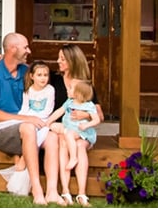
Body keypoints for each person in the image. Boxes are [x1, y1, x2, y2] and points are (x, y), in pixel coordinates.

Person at [0, 32, 65, 205]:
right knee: (28, 128)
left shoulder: (26, 71)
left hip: (25, 124)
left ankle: (53, 192)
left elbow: (51, 77)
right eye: (25, 47)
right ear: (12, 49)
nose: (29, 51)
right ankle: (37, 190)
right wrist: (26, 118)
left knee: (53, 136)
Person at [48, 44, 102, 206]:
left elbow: (99, 115)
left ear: (73, 61)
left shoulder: (84, 86)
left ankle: (82, 193)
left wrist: (84, 115)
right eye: (59, 58)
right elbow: (33, 71)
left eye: (63, 59)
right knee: (64, 141)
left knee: (78, 145)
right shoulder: (54, 79)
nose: (58, 61)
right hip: (62, 130)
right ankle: (65, 190)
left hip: (81, 131)